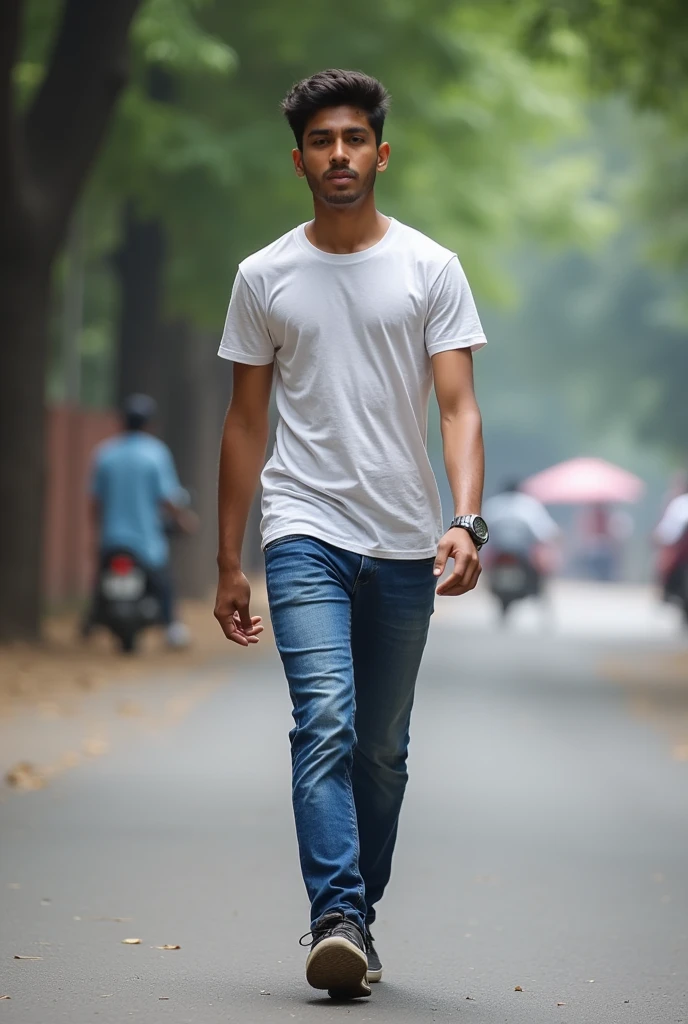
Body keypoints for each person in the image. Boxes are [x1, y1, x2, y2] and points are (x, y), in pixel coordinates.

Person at [214, 69, 488, 999]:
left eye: (354, 139)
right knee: (324, 721)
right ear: (300, 160)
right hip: (302, 528)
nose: (339, 154)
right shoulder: (264, 275)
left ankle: (356, 919)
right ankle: (336, 915)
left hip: (406, 540)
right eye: (322, 142)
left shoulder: (429, 268)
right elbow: (246, 423)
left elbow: (458, 407)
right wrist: (228, 557)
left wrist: (465, 518)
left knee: (382, 748)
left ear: (381, 151)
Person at [86, 394, 196, 648]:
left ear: (122, 421)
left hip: (112, 538)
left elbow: (94, 502)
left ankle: (89, 624)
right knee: (164, 582)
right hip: (146, 542)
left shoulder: (105, 453)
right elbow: (169, 499)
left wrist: (97, 533)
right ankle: (171, 628)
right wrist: (184, 520)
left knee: (99, 583)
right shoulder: (156, 454)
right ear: (149, 424)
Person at [483, 479, 560, 557]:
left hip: (498, 553)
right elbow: (544, 531)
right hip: (522, 553)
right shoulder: (528, 503)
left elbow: (483, 528)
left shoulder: (492, 504)